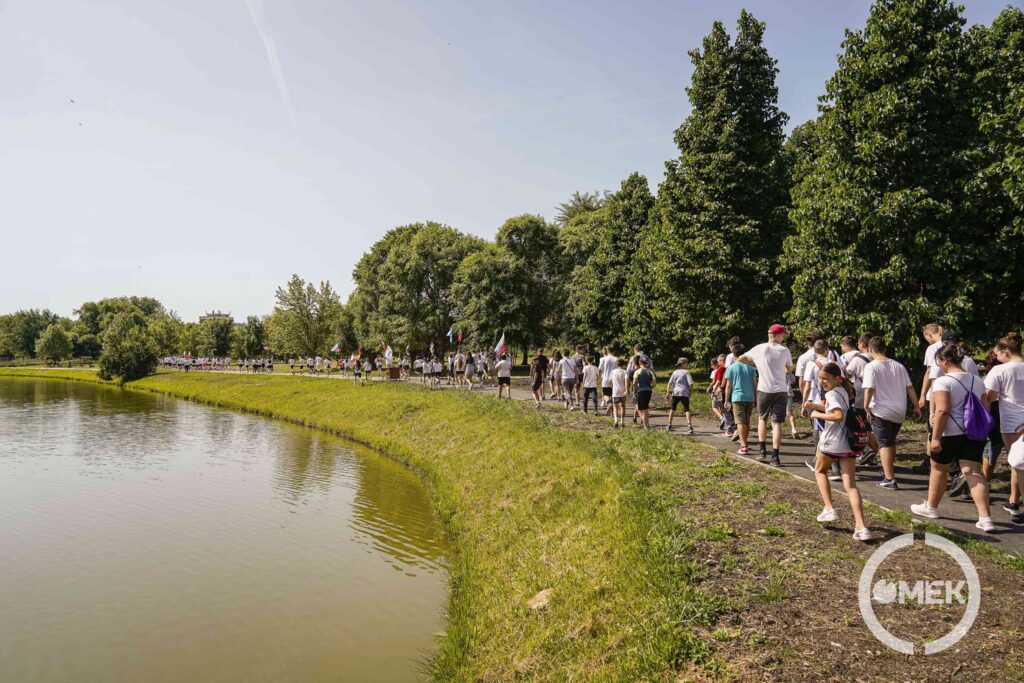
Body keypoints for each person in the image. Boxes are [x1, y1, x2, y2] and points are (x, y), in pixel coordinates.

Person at [910, 344, 995, 532]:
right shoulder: (977, 380)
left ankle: (931, 507)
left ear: (943, 360)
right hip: (973, 433)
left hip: (949, 432)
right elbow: (984, 406)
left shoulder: (942, 382)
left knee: (938, 469)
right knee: (973, 473)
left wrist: (935, 437)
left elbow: (942, 410)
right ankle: (985, 518)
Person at [804, 362, 872, 542]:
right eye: (820, 379)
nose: (822, 382)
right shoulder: (842, 390)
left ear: (836, 378)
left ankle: (829, 508)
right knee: (850, 485)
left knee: (819, 471)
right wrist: (815, 406)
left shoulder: (832, 393)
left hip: (832, 443)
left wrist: (817, 415)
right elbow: (835, 408)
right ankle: (861, 526)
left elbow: (837, 415)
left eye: (825, 379)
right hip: (848, 445)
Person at [862, 336, 921, 490]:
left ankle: (889, 478)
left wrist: (866, 406)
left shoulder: (871, 366)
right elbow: (909, 387)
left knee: (884, 444)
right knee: (890, 442)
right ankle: (888, 469)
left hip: (881, 410)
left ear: (869, 349)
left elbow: (869, 388)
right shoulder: (898, 366)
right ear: (884, 348)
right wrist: (916, 406)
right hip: (899, 410)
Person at [738, 324, 794, 467]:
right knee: (777, 424)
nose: (784, 337)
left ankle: (762, 451)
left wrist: (757, 364)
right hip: (780, 390)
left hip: (764, 389)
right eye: (783, 335)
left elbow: (740, 359)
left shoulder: (759, 348)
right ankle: (775, 457)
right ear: (776, 335)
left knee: (762, 419)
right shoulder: (785, 350)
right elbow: (789, 369)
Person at [983, 332, 1024, 525]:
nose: (996, 357)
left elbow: (988, 397)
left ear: (1005, 352)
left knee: (1018, 464)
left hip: (1012, 424)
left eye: (997, 353)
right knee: (1017, 462)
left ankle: (1017, 505)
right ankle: (1014, 501)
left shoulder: (1000, 371)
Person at [724, 344, 758, 455]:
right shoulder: (751, 368)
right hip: (750, 397)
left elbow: (728, 385)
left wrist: (726, 400)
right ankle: (745, 441)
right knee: (747, 421)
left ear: (734, 355)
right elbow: (755, 385)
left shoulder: (731, 368)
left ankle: (743, 446)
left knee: (740, 422)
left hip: (737, 397)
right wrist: (756, 398)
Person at [666, 357, 695, 434]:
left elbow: (669, 383)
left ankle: (669, 424)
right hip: (684, 393)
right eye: (686, 363)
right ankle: (689, 426)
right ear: (682, 364)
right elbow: (691, 384)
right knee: (687, 409)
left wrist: (667, 392)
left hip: (675, 393)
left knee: (672, 408)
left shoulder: (674, 372)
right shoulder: (686, 372)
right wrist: (690, 392)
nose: (687, 365)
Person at [632, 358, 656, 429]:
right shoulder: (650, 372)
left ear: (640, 363)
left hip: (641, 391)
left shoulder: (637, 371)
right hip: (648, 391)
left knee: (642, 409)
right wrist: (650, 387)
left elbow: (634, 383)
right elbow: (654, 383)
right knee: (645, 408)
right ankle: (646, 424)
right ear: (646, 363)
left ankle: (645, 425)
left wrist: (635, 390)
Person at [610, 358, 629, 428]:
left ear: (617, 365)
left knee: (615, 407)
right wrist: (627, 390)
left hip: (615, 391)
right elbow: (626, 381)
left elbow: (610, 381)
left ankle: (615, 421)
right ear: (623, 365)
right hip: (623, 391)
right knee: (623, 406)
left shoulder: (613, 371)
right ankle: (622, 422)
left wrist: (612, 386)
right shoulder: (625, 372)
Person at [598, 347, 618, 413]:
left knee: (605, 394)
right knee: (613, 395)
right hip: (614, 378)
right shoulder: (616, 359)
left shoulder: (603, 359)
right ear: (613, 351)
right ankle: (613, 412)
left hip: (605, 378)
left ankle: (609, 403)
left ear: (607, 351)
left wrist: (599, 377)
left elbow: (600, 369)